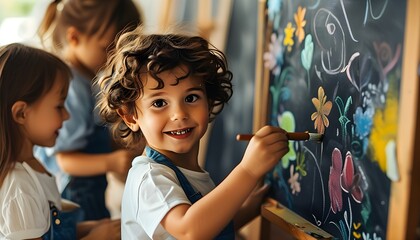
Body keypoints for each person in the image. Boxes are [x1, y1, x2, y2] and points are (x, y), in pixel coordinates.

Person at [96, 25, 290, 239]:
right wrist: (248, 171)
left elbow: (210, 226)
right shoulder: (149, 178)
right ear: (131, 116)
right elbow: (190, 230)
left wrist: (249, 209)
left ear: (208, 102)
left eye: (191, 98)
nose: (179, 114)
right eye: (159, 102)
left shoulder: (189, 174)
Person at [34, 0, 143, 221]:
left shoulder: (87, 80)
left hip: (90, 191)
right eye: (106, 48)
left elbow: (92, 135)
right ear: (74, 38)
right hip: (73, 194)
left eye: (120, 50)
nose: (114, 58)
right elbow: (64, 159)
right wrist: (111, 162)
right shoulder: (70, 86)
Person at [0, 43, 122, 240]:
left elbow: (50, 230)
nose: (66, 116)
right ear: (21, 113)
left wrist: (87, 228)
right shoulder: (19, 188)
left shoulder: (31, 168)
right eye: (59, 106)